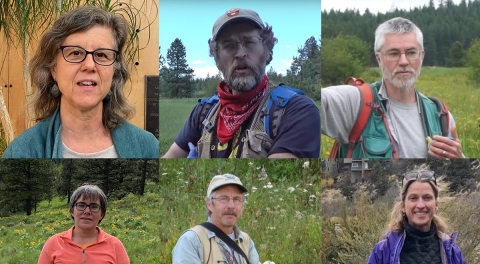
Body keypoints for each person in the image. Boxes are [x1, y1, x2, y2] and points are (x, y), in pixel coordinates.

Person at [2, 6, 158, 158]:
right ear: (53, 68)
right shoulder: (21, 152)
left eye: (102, 55)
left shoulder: (147, 147)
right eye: (75, 53)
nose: (89, 65)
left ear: (115, 71)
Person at [162, 8, 320, 159]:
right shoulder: (204, 111)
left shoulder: (297, 110)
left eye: (250, 42)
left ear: (267, 51)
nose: (240, 53)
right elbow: (172, 156)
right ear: (217, 59)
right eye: (228, 45)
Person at [170, 173, 320, 264]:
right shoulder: (192, 240)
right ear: (209, 204)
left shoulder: (245, 240)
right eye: (224, 199)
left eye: (237, 200)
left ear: (242, 205)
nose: (231, 206)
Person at [321, 17, 463, 159]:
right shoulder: (355, 102)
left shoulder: (440, 115)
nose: (403, 62)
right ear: (379, 59)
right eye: (393, 53)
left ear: (422, 56)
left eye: (411, 52)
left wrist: (459, 160)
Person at [356, 170, 472, 264]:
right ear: (403, 205)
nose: (421, 204)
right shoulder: (383, 251)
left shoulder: (452, 252)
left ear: (436, 204)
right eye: (413, 198)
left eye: (427, 198)